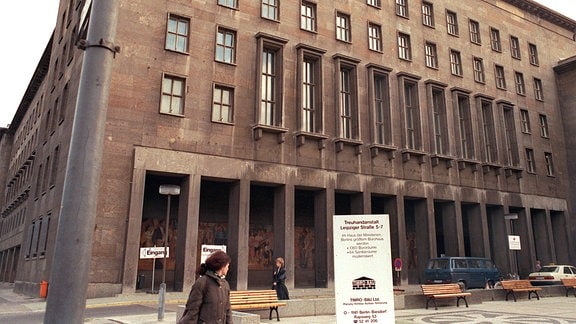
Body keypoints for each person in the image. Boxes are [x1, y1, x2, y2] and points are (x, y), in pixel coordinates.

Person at [178, 250, 232, 324]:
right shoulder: (202, 283)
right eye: (227, 266)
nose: (228, 269)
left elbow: (228, 310)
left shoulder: (225, 284)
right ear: (222, 266)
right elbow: (193, 310)